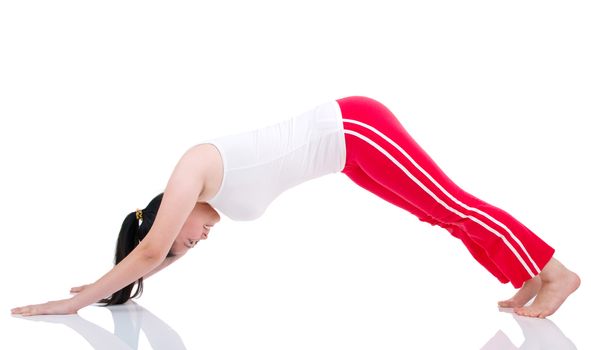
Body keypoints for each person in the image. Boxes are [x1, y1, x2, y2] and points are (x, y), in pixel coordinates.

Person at [11, 96, 579, 319]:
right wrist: (114, 282)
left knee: (451, 202)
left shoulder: (193, 168)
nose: (195, 244)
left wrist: (75, 302)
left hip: (355, 128)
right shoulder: (213, 201)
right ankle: (526, 272)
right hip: (349, 156)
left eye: (186, 240)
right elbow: (157, 255)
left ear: (167, 214)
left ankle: (556, 274)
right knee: (438, 214)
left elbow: (154, 247)